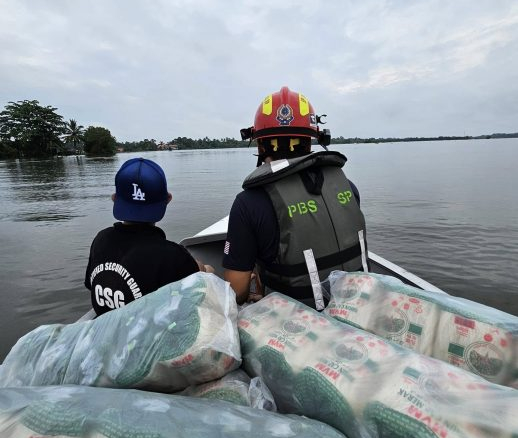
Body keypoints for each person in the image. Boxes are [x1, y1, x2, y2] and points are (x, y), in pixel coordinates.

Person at [223, 86, 369, 309]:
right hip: (359, 310)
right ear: (311, 140)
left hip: (294, 329)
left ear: (260, 143)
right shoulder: (349, 188)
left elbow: (235, 292)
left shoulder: (248, 203)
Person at [85, 157, 212, 316]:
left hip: (107, 332)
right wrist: (205, 269)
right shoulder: (172, 255)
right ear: (167, 199)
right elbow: (199, 289)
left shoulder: (101, 239)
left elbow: (93, 284)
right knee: (209, 271)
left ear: (114, 199)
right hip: (148, 338)